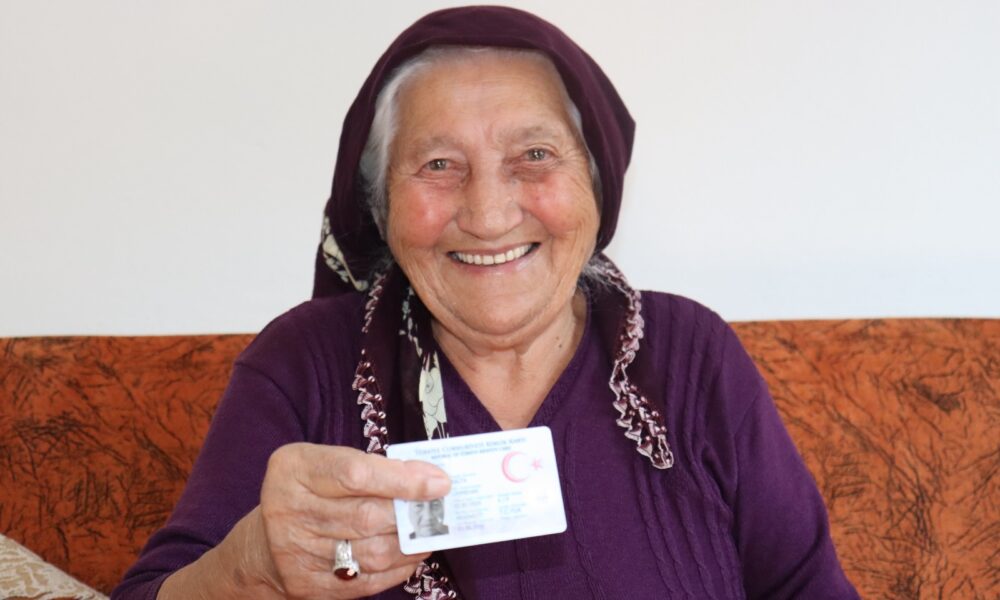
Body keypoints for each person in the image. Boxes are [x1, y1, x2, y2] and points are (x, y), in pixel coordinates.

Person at [113, 6, 859, 599]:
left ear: (596, 184)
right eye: (439, 164)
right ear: (381, 206)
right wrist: (251, 567)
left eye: (534, 156)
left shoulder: (689, 354)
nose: (490, 214)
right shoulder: (303, 364)